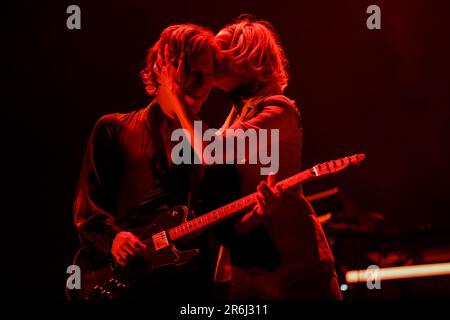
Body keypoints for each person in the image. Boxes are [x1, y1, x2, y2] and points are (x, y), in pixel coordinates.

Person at [158, 15, 342, 299]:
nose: (209, 60)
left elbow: (210, 151)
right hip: (248, 267)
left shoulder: (279, 109)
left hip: (296, 263)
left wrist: (176, 96)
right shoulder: (238, 113)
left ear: (245, 57)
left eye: (217, 54)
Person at [72, 23, 226, 299]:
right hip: (126, 283)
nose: (203, 85)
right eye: (192, 72)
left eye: (209, 76)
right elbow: (86, 209)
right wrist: (114, 239)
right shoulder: (112, 128)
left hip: (187, 288)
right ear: (163, 68)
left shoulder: (205, 143)